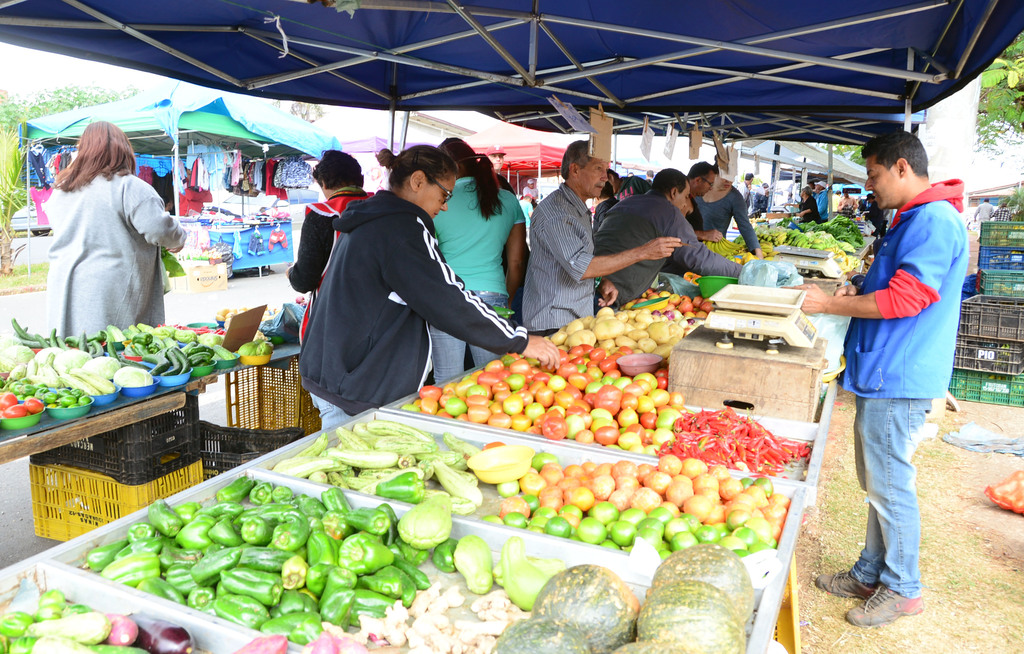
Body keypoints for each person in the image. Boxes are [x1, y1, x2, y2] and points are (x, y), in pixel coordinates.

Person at [800, 130, 967, 628]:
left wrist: (829, 303)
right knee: (880, 484)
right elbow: (893, 286)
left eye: (873, 175)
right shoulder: (914, 216)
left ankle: (904, 588)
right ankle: (872, 571)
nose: (869, 186)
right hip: (883, 369)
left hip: (899, 373)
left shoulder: (935, 219)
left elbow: (907, 299)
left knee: (891, 486)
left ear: (900, 167)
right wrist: (855, 285)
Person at [299, 145, 559, 429]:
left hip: (336, 369)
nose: (445, 205)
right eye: (445, 194)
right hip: (351, 381)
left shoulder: (375, 218)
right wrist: (520, 339)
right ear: (418, 181)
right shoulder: (402, 227)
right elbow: (447, 299)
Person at [520, 140, 681, 334]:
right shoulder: (558, 213)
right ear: (575, 170)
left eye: (606, 169)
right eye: (598, 168)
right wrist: (643, 252)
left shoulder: (576, 208)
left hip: (574, 321)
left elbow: (578, 260)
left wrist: (601, 280)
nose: (605, 177)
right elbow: (582, 267)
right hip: (553, 323)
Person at [45, 121, 185, 336]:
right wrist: (179, 239)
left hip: (63, 281)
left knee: (73, 352)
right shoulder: (130, 186)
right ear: (123, 151)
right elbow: (159, 229)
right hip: (109, 288)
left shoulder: (61, 189)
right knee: (114, 353)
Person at [427, 137, 529, 382]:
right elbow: (516, 263)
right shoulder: (507, 199)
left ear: (450, 167)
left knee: (447, 379)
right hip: (493, 296)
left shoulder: (441, 201)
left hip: (447, 296)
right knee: (494, 380)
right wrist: (507, 298)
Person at [595, 169, 743, 305]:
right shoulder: (668, 212)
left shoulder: (626, 202)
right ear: (673, 193)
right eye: (685, 196)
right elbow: (698, 257)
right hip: (612, 295)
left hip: (592, 280)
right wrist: (742, 272)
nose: (685, 204)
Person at [288, 150, 370, 296]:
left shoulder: (321, 215)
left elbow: (304, 280)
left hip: (335, 309)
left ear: (324, 184)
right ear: (361, 180)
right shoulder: (382, 207)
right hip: (382, 310)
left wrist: (291, 273)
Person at [696, 175, 764, 258]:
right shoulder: (697, 189)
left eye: (732, 176)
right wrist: (701, 235)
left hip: (715, 249)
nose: (728, 181)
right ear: (715, 174)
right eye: (724, 176)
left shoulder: (735, 197)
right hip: (687, 244)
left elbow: (745, 226)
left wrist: (758, 252)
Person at [684, 162, 725, 242]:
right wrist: (703, 235)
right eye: (710, 184)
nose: (711, 188)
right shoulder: (682, 201)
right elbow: (675, 231)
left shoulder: (691, 198)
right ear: (698, 180)